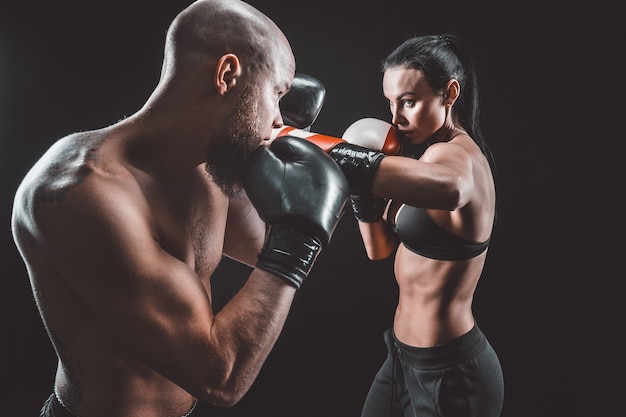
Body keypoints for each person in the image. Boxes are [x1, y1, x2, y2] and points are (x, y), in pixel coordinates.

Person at [9, 1, 349, 416]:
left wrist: (352, 188)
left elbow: (259, 244)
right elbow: (219, 377)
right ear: (227, 75)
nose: (279, 119)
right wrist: (298, 239)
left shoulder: (210, 166)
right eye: (277, 93)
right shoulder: (82, 192)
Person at [326, 34, 504, 416]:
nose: (395, 118)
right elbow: (379, 249)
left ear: (450, 93)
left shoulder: (455, 155)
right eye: (391, 102)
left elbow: (455, 188)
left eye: (409, 101)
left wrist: (352, 162)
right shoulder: (423, 163)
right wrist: (362, 193)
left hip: (451, 372)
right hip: (401, 358)